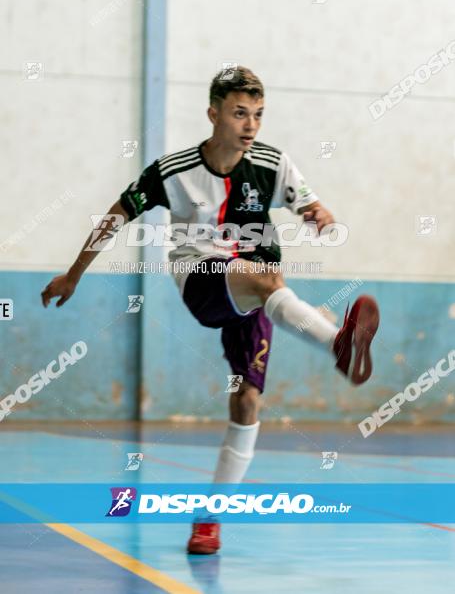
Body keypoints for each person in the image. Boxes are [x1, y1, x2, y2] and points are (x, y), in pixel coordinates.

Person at [41, 66, 379, 555]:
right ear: (213, 113)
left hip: (257, 291)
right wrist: (73, 274)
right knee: (268, 279)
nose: (250, 125)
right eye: (240, 113)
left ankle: (208, 521)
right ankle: (337, 345)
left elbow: (308, 203)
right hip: (201, 278)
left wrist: (319, 216)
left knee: (246, 401)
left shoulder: (272, 163)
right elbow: (116, 215)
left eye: (258, 115)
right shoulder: (172, 172)